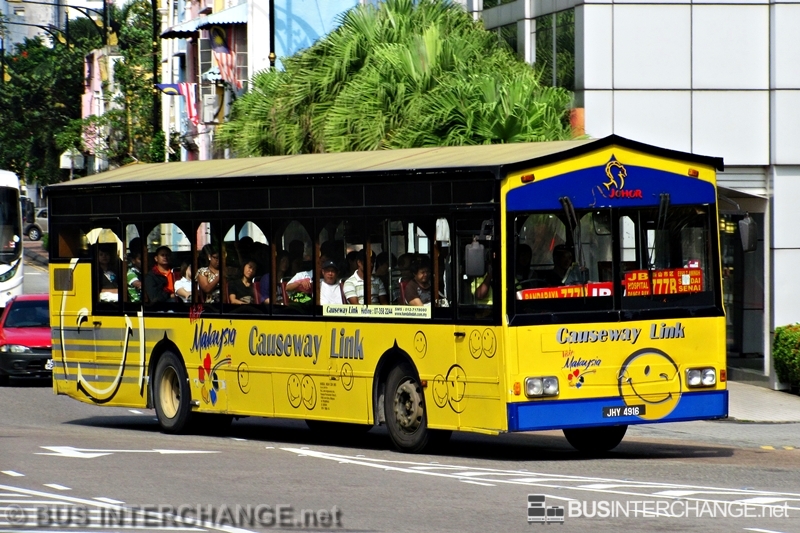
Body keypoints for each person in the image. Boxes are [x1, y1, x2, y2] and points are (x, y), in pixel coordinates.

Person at [126, 238, 143, 303]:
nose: (144, 261)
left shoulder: (142, 272)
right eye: (140, 259)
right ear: (133, 260)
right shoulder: (131, 273)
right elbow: (139, 285)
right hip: (136, 304)